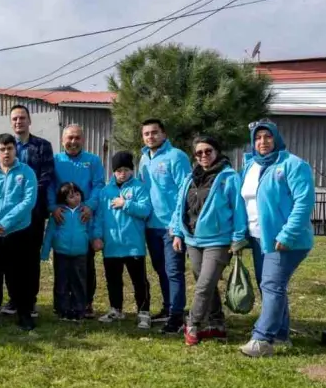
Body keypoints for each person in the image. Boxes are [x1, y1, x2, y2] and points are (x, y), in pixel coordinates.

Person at [239, 120, 315, 358]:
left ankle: (262, 338)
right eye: (258, 138)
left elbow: (304, 202)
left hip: (284, 240)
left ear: (276, 138)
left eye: (267, 137)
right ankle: (281, 335)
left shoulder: (293, 165)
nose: (263, 142)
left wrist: (287, 235)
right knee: (272, 286)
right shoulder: (250, 166)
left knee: (271, 285)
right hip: (258, 237)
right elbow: (246, 202)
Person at [170, 136, 248, 346]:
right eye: (199, 153)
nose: (203, 156)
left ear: (217, 152)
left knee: (204, 285)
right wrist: (177, 232)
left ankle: (193, 324)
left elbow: (238, 208)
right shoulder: (190, 178)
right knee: (206, 282)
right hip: (193, 239)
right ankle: (217, 323)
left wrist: (238, 238)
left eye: (208, 151)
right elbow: (180, 206)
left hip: (218, 240)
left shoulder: (228, 177)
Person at [0, 104, 54, 317]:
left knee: (29, 258)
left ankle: (30, 300)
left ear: (29, 120)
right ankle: (14, 299)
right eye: (15, 119)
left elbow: (47, 176)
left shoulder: (42, 146)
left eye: (22, 118)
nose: (19, 122)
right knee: (9, 258)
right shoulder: (4, 145)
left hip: (33, 213)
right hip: (7, 217)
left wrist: (28, 196)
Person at [0, 134, 38, 331]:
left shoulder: (27, 172)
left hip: (17, 232)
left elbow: (28, 201)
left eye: (9, 148)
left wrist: (6, 222)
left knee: (19, 275)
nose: (6, 153)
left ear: (15, 150)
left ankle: (24, 314)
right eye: (2, 149)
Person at [137, 118, 191, 333]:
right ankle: (169, 308)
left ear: (164, 134)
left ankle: (177, 316)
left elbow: (185, 192)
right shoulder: (143, 159)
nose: (150, 136)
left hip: (171, 226)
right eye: (146, 133)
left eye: (154, 132)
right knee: (161, 270)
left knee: (174, 271)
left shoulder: (176, 157)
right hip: (152, 225)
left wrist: (177, 226)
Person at [48, 125, 105, 318]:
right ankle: (63, 304)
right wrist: (53, 207)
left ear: (83, 140)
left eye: (77, 138)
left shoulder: (93, 160)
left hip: (85, 217)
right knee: (63, 267)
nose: (73, 142)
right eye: (70, 138)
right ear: (63, 139)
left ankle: (85, 303)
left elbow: (99, 185)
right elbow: (49, 186)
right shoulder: (55, 160)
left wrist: (89, 205)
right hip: (63, 219)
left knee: (85, 265)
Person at [92, 152, 153, 329]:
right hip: (111, 246)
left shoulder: (139, 188)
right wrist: (96, 236)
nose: (123, 173)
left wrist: (125, 204)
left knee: (139, 280)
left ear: (131, 170)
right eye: (119, 170)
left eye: (126, 169)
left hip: (133, 245)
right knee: (113, 280)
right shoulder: (105, 192)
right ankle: (116, 309)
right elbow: (99, 217)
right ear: (113, 172)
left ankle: (143, 312)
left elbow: (145, 210)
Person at [41, 182, 91, 322]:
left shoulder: (85, 212)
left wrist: (94, 240)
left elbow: (91, 229)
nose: (75, 198)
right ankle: (62, 310)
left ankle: (79, 310)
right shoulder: (58, 213)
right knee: (61, 282)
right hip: (61, 252)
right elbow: (50, 232)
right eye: (71, 196)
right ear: (64, 199)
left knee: (79, 282)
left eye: (77, 194)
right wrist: (45, 252)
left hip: (80, 252)